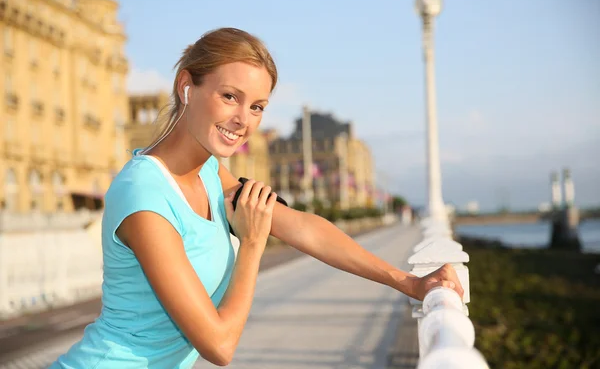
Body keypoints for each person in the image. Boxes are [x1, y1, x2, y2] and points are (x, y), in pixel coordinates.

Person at [50, 27, 463, 368]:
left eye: (258, 107)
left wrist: (409, 283)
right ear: (187, 87)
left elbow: (302, 227)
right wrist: (251, 244)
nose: (243, 121)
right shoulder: (144, 192)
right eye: (230, 96)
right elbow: (219, 346)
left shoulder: (210, 172)